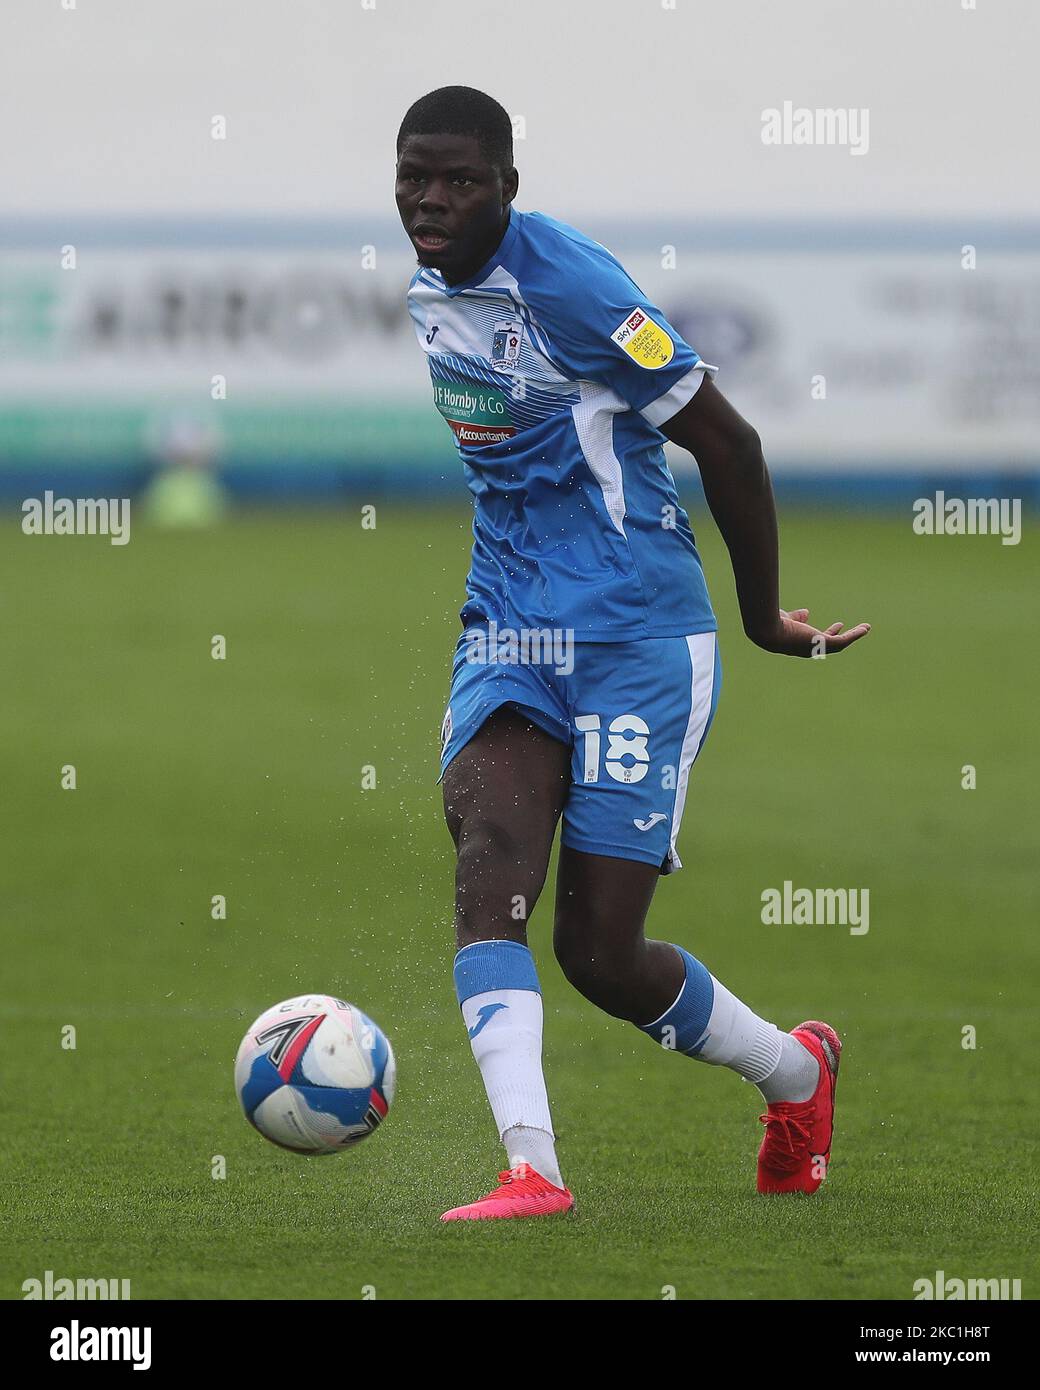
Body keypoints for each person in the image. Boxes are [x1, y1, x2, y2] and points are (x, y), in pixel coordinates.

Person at [396, 86, 871, 1221]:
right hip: (509, 625)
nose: (432, 200)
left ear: (508, 184)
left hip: (635, 634)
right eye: (415, 174)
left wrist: (760, 619)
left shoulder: (569, 286)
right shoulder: (429, 284)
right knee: (489, 848)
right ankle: (531, 1170)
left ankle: (796, 1074)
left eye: (461, 180)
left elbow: (729, 442)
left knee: (601, 955)